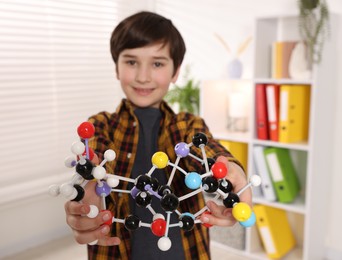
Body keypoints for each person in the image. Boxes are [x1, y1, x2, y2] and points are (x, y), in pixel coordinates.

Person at [64, 11, 251, 260]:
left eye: (158, 63)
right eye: (131, 62)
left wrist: (231, 171)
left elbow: (204, 145)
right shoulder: (100, 125)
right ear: (117, 68)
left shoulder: (186, 124)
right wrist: (88, 193)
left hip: (185, 251)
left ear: (175, 72)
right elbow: (93, 157)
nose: (143, 76)